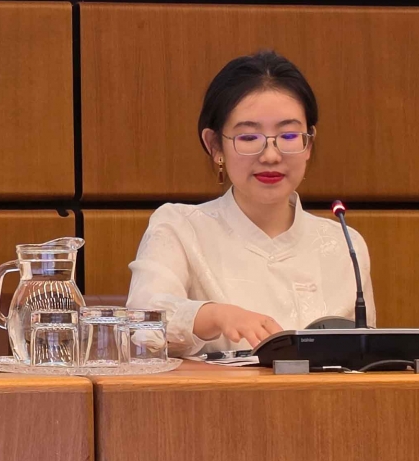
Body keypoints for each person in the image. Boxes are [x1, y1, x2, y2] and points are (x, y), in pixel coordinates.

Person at [126, 50, 375, 357]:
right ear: (215, 145)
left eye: (288, 135)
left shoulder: (343, 244)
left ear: (308, 143)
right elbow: (141, 323)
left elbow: (365, 359)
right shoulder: (179, 227)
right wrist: (216, 315)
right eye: (248, 138)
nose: (270, 155)